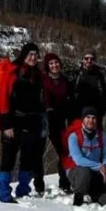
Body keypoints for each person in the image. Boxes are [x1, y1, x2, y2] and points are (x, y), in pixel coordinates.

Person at [0, 42, 44, 203]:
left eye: (35, 54)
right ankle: (4, 192)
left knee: (27, 158)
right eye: (30, 54)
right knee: (8, 159)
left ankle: (23, 190)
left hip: (31, 122)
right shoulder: (13, 71)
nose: (33, 57)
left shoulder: (37, 74)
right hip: (13, 122)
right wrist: (6, 124)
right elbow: (2, 98)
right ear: (24, 55)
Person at [63, 106, 106, 206]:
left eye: (93, 118)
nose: (90, 121)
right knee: (84, 172)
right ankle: (78, 197)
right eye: (87, 117)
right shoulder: (74, 136)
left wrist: (105, 166)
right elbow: (79, 160)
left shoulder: (102, 136)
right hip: (77, 171)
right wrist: (100, 166)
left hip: (95, 172)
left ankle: (92, 194)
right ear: (83, 119)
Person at [39, 52, 75, 194]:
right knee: (38, 154)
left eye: (56, 62)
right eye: (51, 63)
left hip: (59, 121)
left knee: (63, 151)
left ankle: (64, 181)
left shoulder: (65, 81)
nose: (54, 65)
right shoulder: (43, 80)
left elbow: (70, 100)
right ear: (47, 66)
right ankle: (39, 185)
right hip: (43, 121)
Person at [73, 52, 106, 127]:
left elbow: (104, 94)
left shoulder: (99, 75)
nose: (89, 60)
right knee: (79, 136)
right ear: (82, 60)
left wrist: (103, 110)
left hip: (96, 113)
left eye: (91, 59)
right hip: (79, 112)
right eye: (86, 58)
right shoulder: (76, 74)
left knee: (97, 136)